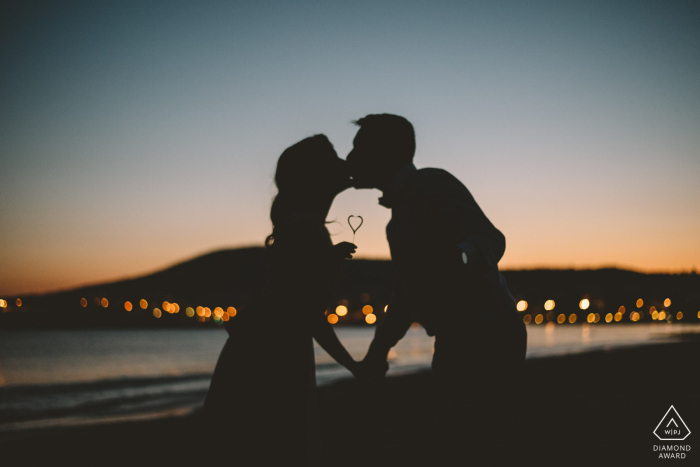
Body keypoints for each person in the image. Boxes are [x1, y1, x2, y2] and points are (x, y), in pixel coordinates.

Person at [347, 114, 527, 450]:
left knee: (478, 440)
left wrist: (458, 258)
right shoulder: (396, 220)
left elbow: (492, 238)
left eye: (358, 149)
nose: (350, 158)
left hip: (489, 335)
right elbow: (409, 292)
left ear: (384, 153)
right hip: (460, 338)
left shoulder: (433, 184)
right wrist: (379, 349)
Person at [203, 134, 361, 466]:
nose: (343, 163)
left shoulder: (304, 226)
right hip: (269, 362)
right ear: (316, 176)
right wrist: (355, 366)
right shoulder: (304, 227)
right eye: (333, 159)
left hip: (269, 352)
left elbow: (293, 291)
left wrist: (326, 260)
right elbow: (305, 312)